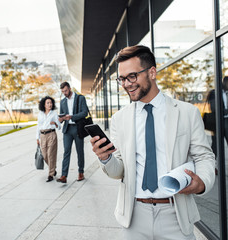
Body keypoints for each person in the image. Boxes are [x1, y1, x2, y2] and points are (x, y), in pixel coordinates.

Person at [90, 45, 215, 239]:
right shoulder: (119, 119)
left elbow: (204, 156)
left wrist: (202, 183)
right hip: (134, 216)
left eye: (132, 76)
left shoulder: (187, 113)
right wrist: (106, 158)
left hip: (176, 214)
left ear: (152, 72)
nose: (126, 84)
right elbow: (119, 171)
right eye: (121, 79)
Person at [57, 82, 89, 183]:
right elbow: (62, 115)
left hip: (78, 128)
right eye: (62, 92)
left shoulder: (80, 98)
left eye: (66, 91)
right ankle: (64, 175)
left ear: (70, 88)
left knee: (80, 151)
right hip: (67, 129)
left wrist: (71, 117)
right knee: (66, 151)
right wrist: (61, 119)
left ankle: (81, 172)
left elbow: (85, 112)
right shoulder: (62, 102)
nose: (64, 93)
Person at [36, 96, 61, 182]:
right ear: (44, 104)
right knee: (45, 155)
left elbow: (59, 126)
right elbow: (38, 126)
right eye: (48, 103)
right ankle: (53, 169)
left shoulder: (54, 113)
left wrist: (55, 123)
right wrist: (37, 138)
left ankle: (50, 174)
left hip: (51, 134)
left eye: (51, 103)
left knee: (51, 154)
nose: (50, 104)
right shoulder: (40, 114)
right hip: (42, 135)